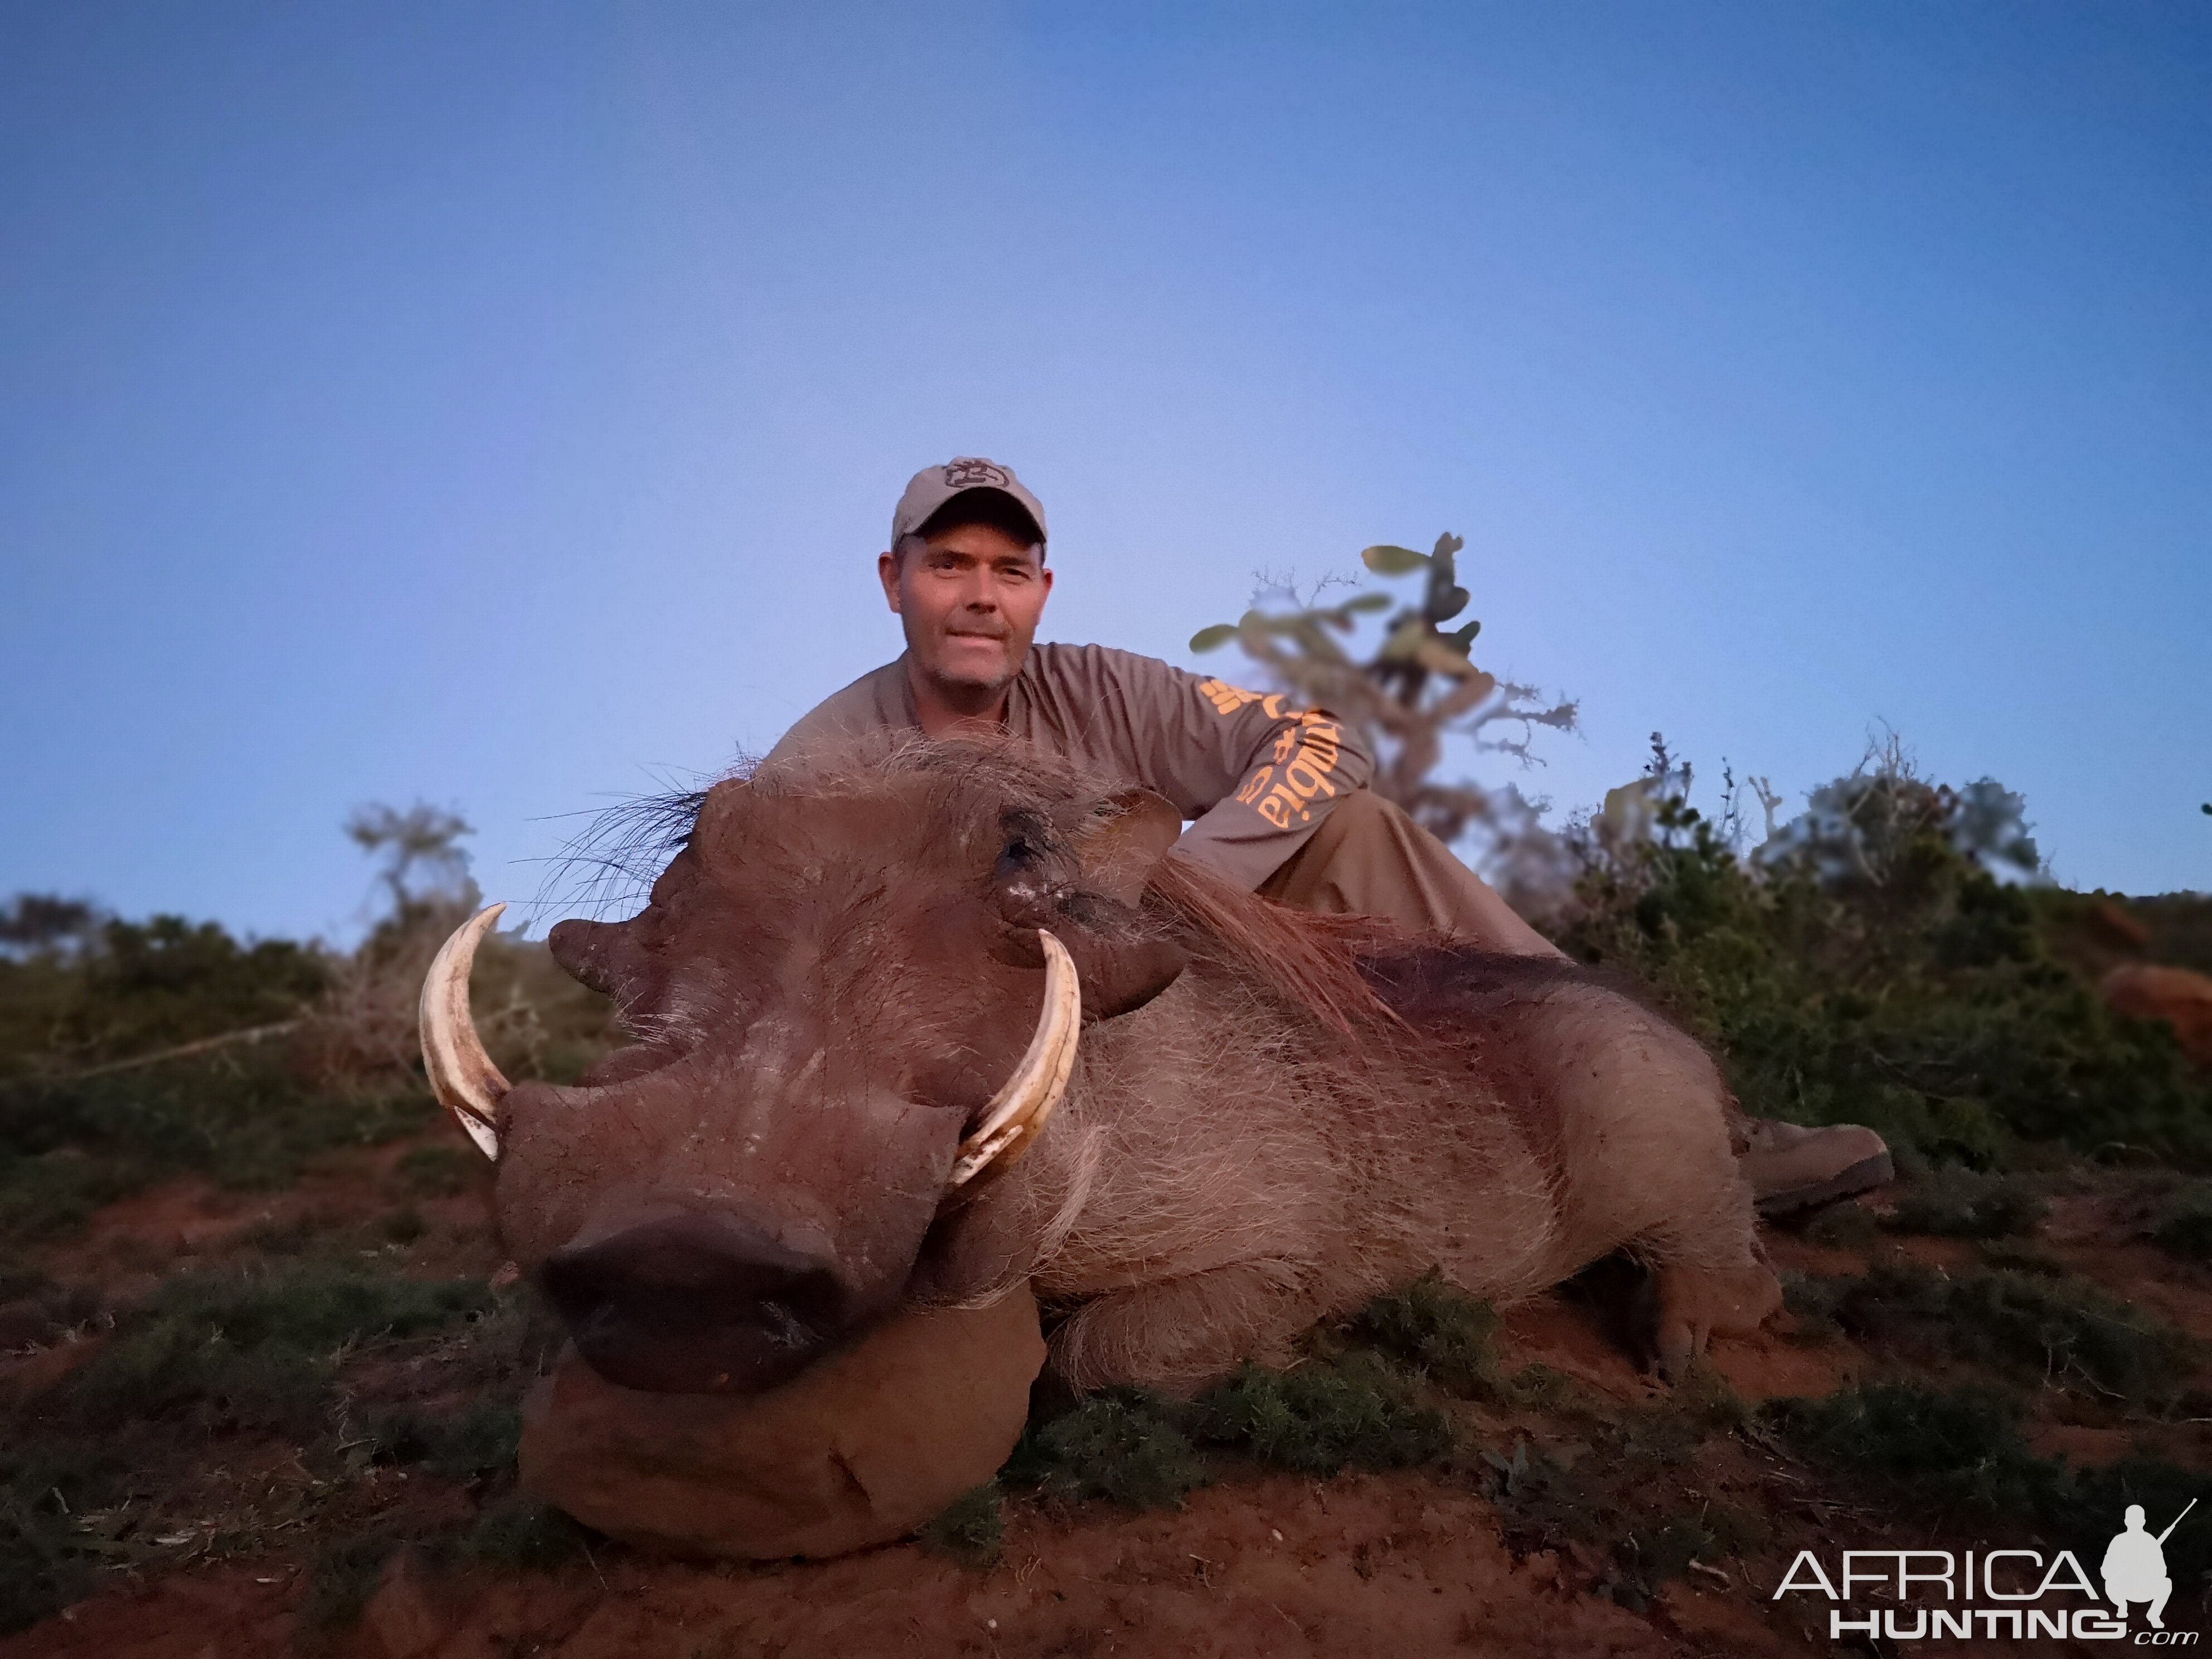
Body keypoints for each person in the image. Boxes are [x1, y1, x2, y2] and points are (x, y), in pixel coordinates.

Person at [765, 457, 1892, 1213]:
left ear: (1043, 592)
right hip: (974, 1055)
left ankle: (1691, 1127)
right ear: (893, 581)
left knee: (1357, 830)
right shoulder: (818, 761)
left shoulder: (1103, 688)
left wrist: (1190, 883)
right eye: (949, 565)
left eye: (1007, 572)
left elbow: (1315, 736)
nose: (980, 596)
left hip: (1167, 992)